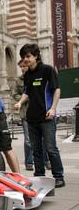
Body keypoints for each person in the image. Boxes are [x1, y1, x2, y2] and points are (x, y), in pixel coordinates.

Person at [14, 44, 65, 188]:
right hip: (32, 118)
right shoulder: (28, 74)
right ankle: (40, 176)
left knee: (51, 148)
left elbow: (56, 90)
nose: (26, 60)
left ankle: (58, 176)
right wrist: (20, 102)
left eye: (28, 56)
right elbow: (27, 92)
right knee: (36, 150)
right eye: (24, 57)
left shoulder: (48, 70)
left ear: (36, 56)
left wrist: (53, 109)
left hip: (47, 116)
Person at [11, 59, 51, 171]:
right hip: (26, 112)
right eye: (21, 67)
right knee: (28, 140)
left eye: (24, 66)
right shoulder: (18, 80)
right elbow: (14, 94)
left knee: (43, 139)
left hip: (39, 110)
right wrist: (23, 100)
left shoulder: (35, 76)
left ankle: (46, 161)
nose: (23, 69)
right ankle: (29, 162)